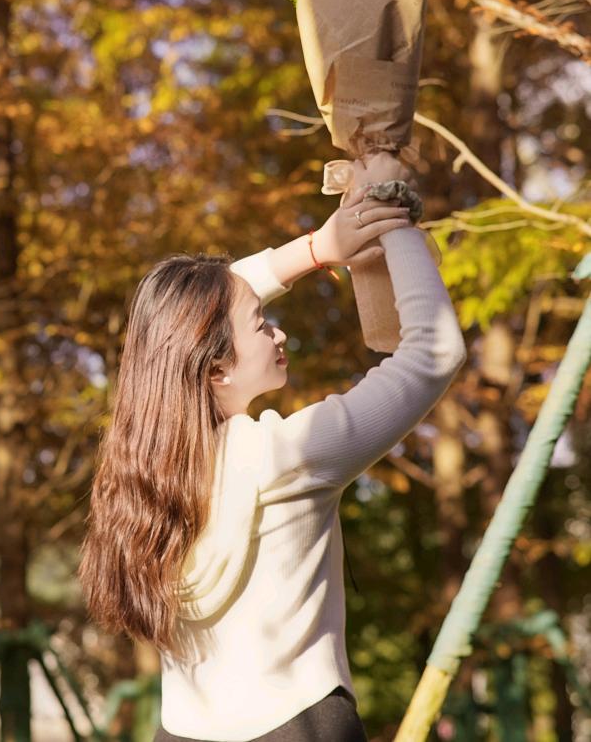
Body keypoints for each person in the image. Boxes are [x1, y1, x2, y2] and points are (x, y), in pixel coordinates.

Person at [77, 179, 467, 741]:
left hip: (181, 732)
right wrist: (396, 219)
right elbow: (434, 353)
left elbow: (181, 324)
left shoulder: (139, 472)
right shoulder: (291, 453)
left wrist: (318, 248)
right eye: (262, 324)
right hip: (302, 726)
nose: (279, 331)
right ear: (216, 370)